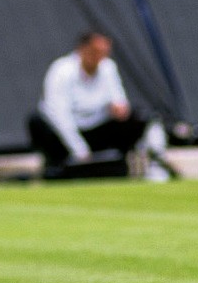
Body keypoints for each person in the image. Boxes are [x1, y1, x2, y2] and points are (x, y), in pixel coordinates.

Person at [29, 30, 172, 181]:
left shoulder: (108, 67)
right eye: (96, 52)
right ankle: (57, 167)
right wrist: (80, 151)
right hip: (64, 136)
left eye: (104, 53)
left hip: (98, 130)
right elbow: (60, 116)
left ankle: (157, 165)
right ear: (82, 49)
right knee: (36, 122)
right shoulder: (61, 70)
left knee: (143, 117)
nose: (100, 57)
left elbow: (119, 100)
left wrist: (120, 109)